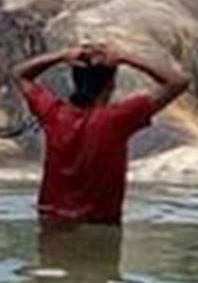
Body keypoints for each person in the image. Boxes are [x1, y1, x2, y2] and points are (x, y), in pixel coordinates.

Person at [12, 43, 189, 225]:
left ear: (75, 82)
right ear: (111, 85)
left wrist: (61, 55)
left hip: (52, 224)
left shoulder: (53, 113)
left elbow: (19, 74)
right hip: (101, 225)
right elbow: (178, 82)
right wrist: (127, 57)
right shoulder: (119, 119)